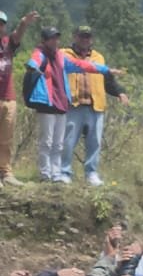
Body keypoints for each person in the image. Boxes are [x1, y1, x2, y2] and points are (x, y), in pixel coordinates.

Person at [22, 26, 121, 183]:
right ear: (44, 40)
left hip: (61, 102)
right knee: (47, 141)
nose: (54, 41)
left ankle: (57, 174)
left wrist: (105, 70)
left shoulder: (61, 57)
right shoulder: (40, 53)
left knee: (59, 142)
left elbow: (82, 65)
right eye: (51, 38)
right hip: (46, 101)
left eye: (56, 38)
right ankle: (45, 173)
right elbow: (34, 61)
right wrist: (31, 66)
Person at [61, 26, 127, 187]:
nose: (85, 39)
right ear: (75, 37)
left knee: (94, 142)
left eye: (88, 37)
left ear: (92, 39)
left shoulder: (99, 57)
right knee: (68, 140)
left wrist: (120, 92)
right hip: (73, 104)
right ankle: (64, 172)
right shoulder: (64, 54)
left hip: (95, 105)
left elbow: (108, 80)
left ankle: (91, 173)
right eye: (82, 36)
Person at [0, 11, 41, 187]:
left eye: (2, 23)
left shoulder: (7, 44)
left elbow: (17, 35)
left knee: (6, 138)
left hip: (8, 97)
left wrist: (24, 22)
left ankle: (5, 173)